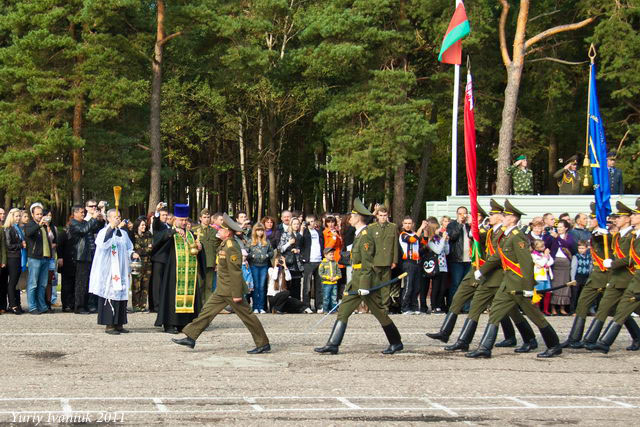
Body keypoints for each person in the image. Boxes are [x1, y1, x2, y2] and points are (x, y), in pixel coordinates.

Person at [468, 199, 563, 358]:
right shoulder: (507, 236)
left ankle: (554, 345)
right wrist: (482, 271)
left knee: (535, 316)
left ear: (512, 219)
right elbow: (498, 256)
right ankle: (485, 348)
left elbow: (526, 263)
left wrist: (527, 287)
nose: (503, 217)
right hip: (508, 282)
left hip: (519, 284)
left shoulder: (517, 236)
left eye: (505, 215)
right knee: (496, 312)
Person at [439, 201, 536, 353]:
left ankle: (532, 339)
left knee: (516, 312)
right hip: (489, 277)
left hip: (500, 277)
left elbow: (504, 258)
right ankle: (464, 341)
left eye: (494, 214)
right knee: (480, 308)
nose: (492, 216)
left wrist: (529, 286)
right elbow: (477, 237)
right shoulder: (492, 232)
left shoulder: (508, 234)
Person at [315, 198, 403, 355]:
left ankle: (396, 342)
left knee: (379, 312)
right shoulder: (359, 234)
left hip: (365, 281)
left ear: (358, 217)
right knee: (344, 310)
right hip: (357, 280)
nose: (350, 218)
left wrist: (363, 286)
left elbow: (367, 263)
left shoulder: (365, 236)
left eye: (352, 215)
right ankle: (333, 344)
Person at [171, 214, 271, 353]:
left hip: (231, 290)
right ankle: (191, 337)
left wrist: (237, 294)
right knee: (206, 312)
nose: (218, 230)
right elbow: (216, 247)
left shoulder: (231, 247)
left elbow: (236, 272)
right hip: (222, 289)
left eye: (221, 229)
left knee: (247, 316)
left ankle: (263, 343)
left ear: (227, 232)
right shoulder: (225, 243)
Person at [581, 201, 640, 349]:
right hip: (618, 278)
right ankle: (592, 340)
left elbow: (630, 258)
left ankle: (604, 342)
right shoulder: (618, 236)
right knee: (608, 308)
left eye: (634, 214)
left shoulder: (633, 236)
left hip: (630, 278)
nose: (615, 220)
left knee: (622, 311)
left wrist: (612, 264)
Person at [561, 203, 610, 348]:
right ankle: (574, 338)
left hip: (607, 277)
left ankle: (593, 340)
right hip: (595, 276)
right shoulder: (594, 234)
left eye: (593, 218)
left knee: (619, 309)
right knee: (582, 303)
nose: (590, 220)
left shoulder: (606, 235)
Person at [153, 204, 205, 334]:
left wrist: (200, 248)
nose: (184, 222)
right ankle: (170, 324)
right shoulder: (169, 232)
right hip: (173, 272)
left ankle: (184, 323)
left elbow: (196, 251)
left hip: (189, 273)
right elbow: (157, 239)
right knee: (172, 296)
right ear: (175, 219)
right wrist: (172, 232)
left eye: (186, 220)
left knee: (188, 295)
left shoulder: (191, 234)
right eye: (181, 220)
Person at [89, 209, 137, 334]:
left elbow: (128, 248)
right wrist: (111, 227)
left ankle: (119, 323)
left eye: (119, 217)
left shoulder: (123, 233)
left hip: (121, 269)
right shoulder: (104, 231)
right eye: (115, 217)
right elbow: (103, 244)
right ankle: (109, 324)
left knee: (121, 294)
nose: (117, 219)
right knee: (110, 294)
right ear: (108, 218)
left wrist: (133, 254)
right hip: (109, 270)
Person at [68, 204, 105, 314]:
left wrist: (100, 219)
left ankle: (88, 304)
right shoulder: (73, 223)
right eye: (80, 212)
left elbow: (96, 228)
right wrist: (93, 218)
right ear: (74, 213)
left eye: (83, 212)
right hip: (81, 256)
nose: (83, 214)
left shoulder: (84, 222)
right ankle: (79, 306)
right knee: (81, 283)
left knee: (90, 281)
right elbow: (83, 230)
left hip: (89, 255)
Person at [23, 205, 54, 314]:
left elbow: (48, 241)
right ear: (32, 215)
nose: (40, 216)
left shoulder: (44, 226)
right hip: (34, 258)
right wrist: (39, 225)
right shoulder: (29, 225)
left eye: (41, 214)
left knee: (42, 284)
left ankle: (42, 306)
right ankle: (32, 307)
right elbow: (28, 234)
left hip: (45, 258)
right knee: (33, 283)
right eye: (37, 214)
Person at [367, 206, 399, 313]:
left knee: (386, 285)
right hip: (375, 261)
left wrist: (394, 260)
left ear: (388, 215)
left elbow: (395, 245)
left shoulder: (393, 227)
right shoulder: (371, 228)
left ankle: (385, 306)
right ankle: (376, 306)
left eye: (385, 215)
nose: (383, 218)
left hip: (388, 260)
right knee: (375, 285)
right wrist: (370, 260)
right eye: (381, 215)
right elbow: (369, 245)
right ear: (377, 216)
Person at [544, 219, 574, 316]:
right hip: (555, 262)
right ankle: (553, 308)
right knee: (555, 285)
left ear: (566, 228)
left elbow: (569, 245)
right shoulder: (552, 236)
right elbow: (545, 244)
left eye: (561, 227)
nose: (559, 229)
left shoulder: (568, 237)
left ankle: (562, 307)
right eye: (558, 227)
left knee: (565, 285)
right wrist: (549, 235)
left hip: (565, 262)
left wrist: (558, 238)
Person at [398, 216, 426, 314]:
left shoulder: (415, 234)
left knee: (417, 287)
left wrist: (426, 231)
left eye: (409, 223)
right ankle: (404, 307)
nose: (408, 225)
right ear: (403, 224)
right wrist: (421, 228)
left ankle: (414, 307)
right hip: (408, 263)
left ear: (412, 224)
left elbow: (423, 243)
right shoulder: (403, 235)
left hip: (417, 263)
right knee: (408, 286)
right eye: (406, 223)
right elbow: (413, 240)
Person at [446, 206, 472, 307]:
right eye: (460, 213)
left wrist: (471, 224)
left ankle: (466, 307)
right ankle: (453, 306)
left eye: (464, 213)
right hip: (457, 259)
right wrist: (460, 225)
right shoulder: (452, 225)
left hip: (469, 259)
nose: (462, 216)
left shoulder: (469, 225)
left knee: (467, 284)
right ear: (457, 214)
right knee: (456, 283)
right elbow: (452, 236)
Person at [192, 209, 219, 306]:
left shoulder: (215, 231)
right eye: (204, 217)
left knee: (209, 286)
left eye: (208, 217)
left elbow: (218, 248)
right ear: (200, 218)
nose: (206, 219)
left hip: (210, 262)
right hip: (199, 262)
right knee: (199, 284)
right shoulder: (195, 230)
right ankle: (198, 306)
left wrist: (217, 262)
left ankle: (207, 307)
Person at [247, 223, 274, 314]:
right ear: (255, 231)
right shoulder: (250, 241)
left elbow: (271, 252)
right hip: (254, 265)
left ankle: (262, 307)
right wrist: (253, 255)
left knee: (262, 287)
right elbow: (246, 253)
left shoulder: (267, 241)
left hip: (264, 266)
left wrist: (267, 255)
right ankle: (255, 306)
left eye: (261, 230)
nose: (260, 232)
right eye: (258, 230)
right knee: (255, 286)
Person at [300, 214, 324, 312]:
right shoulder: (304, 233)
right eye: (308, 221)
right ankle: (306, 306)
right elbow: (299, 242)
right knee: (307, 285)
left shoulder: (319, 232)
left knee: (319, 285)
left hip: (319, 260)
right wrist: (301, 230)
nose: (311, 223)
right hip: (308, 261)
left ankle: (319, 305)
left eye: (312, 221)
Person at [424, 219, 449, 313]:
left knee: (443, 288)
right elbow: (438, 250)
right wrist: (443, 239)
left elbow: (446, 251)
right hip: (436, 267)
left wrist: (446, 242)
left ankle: (439, 305)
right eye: (437, 229)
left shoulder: (439, 239)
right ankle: (434, 306)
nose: (439, 230)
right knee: (436, 287)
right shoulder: (431, 242)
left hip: (444, 265)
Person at [278, 217, 304, 300]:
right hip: (288, 263)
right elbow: (280, 249)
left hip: (298, 263)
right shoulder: (285, 234)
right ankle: (287, 304)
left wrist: (298, 250)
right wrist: (289, 243)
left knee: (297, 285)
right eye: (294, 224)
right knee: (288, 284)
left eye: (297, 224)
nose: (296, 225)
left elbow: (304, 248)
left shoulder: (300, 235)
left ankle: (297, 304)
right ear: (291, 225)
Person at [4, 208, 23, 314]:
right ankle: (12, 305)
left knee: (15, 282)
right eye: (16, 216)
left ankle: (16, 303)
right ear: (11, 216)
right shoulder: (8, 228)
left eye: (19, 216)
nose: (18, 218)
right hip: (12, 258)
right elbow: (9, 245)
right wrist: (20, 245)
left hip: (17, 257)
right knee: (12, 282)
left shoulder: (17, 228)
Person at [131, 217, 152, 311]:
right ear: (138, 226)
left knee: (145, 285)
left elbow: (150, 248)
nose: (144, 226)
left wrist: (141, 250)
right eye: (142, 225)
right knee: (136, 285)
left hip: (147, 263)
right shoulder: (133, 235)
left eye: (145, 225)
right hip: (137, 264)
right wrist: (144, 249)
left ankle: (143, 305)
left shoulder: (148, 234)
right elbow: (135, 249)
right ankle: (135, 305)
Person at [56, 215, 76, 312]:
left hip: (74, 260)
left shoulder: (78, 232)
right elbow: (59, 246)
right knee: (66, 284)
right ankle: (66, 304)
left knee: (74, 283)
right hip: (66, 260)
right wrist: (60, 257)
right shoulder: (64, 232)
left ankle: (73, 303)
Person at [532, 239, 554, 315]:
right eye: (541, 246)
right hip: (539, 276)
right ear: (536, 247)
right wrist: (545, 257)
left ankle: (546, 310)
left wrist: (546, 263)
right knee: (538, 293)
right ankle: (537, 310)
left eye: (544, 246)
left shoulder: (544, 254)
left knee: (548, 292)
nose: (543, 247)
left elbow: (551, 261)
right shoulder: (533, 255)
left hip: (546, 275)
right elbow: (541, 263)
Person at [570, 240, 592, 315]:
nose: (581, 250)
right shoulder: (576, 256)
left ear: (586, 248)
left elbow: (590, 267)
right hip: (578, 276)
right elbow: (573, 268)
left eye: (583, 248)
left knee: (583, 295)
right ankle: (573, 310)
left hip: (585, 277)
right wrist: (573, 279)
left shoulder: (589, 257)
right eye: (579, 248)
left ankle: (582, 310)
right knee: (575, 294)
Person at [318, 247, 341, 313]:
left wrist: (336, 278)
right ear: (325, 255)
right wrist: (328, 278)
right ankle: (326, 310)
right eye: (330, 254)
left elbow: (339, 273)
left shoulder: (335, 263)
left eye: (333, 254)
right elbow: (320, 274)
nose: (332, 256)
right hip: (326, 284)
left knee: (334, 297)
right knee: (326, 297)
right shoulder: (323, 263)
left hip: (334, 283)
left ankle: (334, 310)